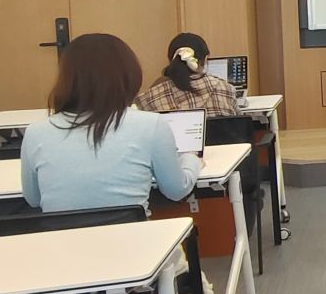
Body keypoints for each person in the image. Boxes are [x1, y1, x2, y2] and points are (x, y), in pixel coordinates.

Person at [21, 32, 200, 212]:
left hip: (63, 231)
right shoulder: (151, 125)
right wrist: (191, 159)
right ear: (129, 74)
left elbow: (34, 199)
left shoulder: (35, 133)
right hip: (132, 231)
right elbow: (176, 190)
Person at [138, 32, 243, 117]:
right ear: (205, 59)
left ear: (170, 60)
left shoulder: (150, 97)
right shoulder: (226, 88)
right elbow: (240, 124)